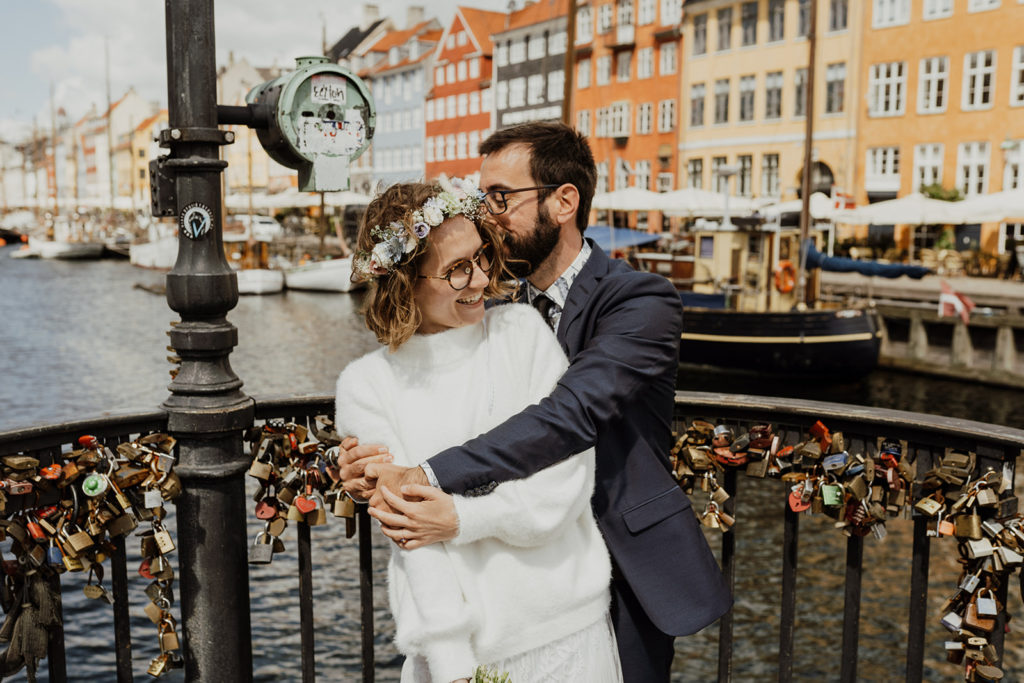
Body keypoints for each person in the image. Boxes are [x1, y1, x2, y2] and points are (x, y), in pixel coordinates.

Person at [341, 122, 732, 682]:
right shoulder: (488, 304)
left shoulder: (639, 300)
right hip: (514, 569)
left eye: (501, 197)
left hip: (625, 560)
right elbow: (432, 402)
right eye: (483, 198)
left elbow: (569, 415)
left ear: (563, 201)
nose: (487, 213)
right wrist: (369, 465)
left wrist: (423, 474)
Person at [335, 178, 622, 683]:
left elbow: (568, 482)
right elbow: (411, 537)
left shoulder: (522, 334)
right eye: (455, 270)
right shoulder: (367, 385)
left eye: (481, 257)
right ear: (405, 281)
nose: (478, 280)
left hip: (567, 631)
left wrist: (462, 519)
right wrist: (452, 664)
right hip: (458, 659)